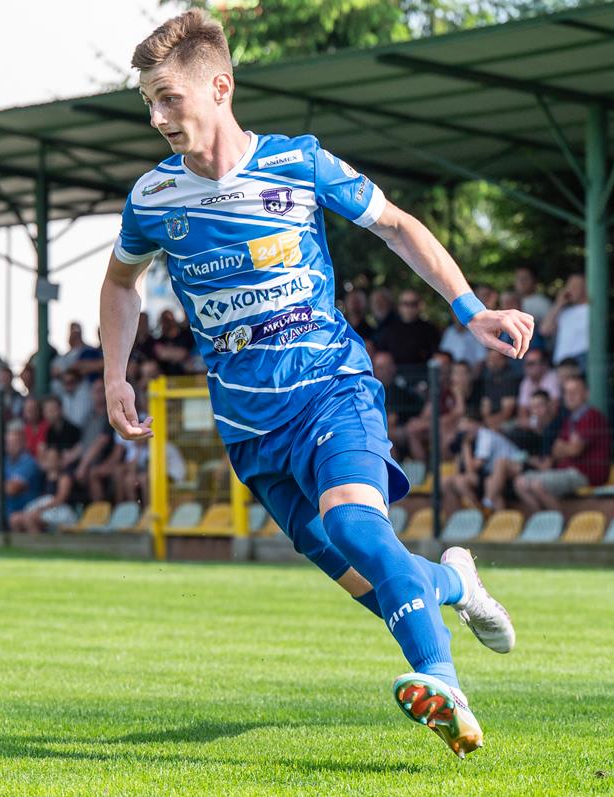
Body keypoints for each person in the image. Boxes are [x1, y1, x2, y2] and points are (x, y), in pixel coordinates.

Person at [101, 9, 533, 759]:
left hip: (332, 386)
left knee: (358, 528)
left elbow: (395, 224)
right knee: (366, 578)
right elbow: (119, 283)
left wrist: (471, 308)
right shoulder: (153, 198)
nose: (157, 117)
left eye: (169, 98)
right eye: (149, 102)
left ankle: (443, 684)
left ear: (220, 87)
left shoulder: (297, 163)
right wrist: (115, 374)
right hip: (250, 427)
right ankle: (454, 584)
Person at [512, 375, 609, 513]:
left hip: (585, 474)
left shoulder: (592, 416)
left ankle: (562, 523)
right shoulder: (570, 419)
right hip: (565, 471)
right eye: (567, 392)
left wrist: (567, 447)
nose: (569, 396)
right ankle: (544, 520)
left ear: (586, 394)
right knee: (519, 483)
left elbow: (575, 450)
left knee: (537, 485)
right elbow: (556, 450)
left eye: (574, 392)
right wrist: (568, 447)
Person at [9, 446, 78, 534]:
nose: (50, 461)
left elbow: (61, 498)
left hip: (59, 510)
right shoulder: (43, 476)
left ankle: (37, 541)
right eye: (48, 458)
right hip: (42, 507)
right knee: (14, 519)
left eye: (53, 458)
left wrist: (42, 508)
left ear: (59, 460)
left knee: (30, 519)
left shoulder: (65, 477)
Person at [374, 290, 441, 366]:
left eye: (413, 304)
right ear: (399, 306)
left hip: (422, 371)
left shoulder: (429, 329)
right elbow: (382, 355)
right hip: (394, 371)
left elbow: (435, 356)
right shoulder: (389, 329)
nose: (409, 308)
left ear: (420, 306)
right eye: (405, 304)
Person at [540, 273, 589, 367]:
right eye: (568, 286)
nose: (570, 290)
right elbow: (544, 330)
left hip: (581, 362)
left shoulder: (592, 311)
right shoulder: (564, 312)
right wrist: (558, 304)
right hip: (561, 363)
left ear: (585, 288)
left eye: (575, 287)